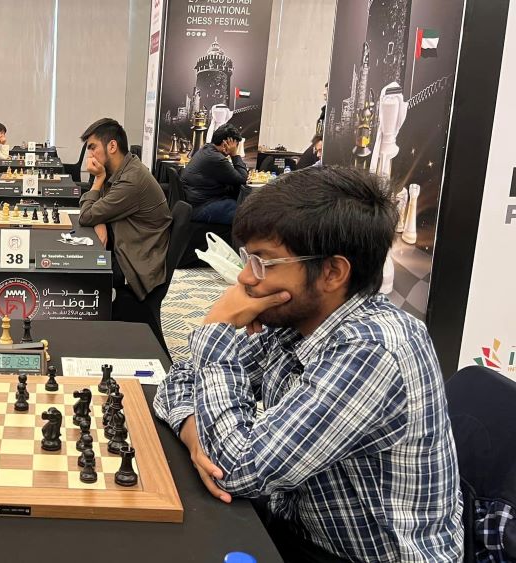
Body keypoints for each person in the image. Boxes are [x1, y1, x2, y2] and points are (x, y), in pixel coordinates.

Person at [153, 166, 462, 562]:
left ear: (332, 272)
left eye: (263, 262)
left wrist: (217, 331)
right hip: (295, 524)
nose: (244, 278)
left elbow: (236, 467)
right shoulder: (298, 319)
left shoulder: (373, 350)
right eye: (248, 258)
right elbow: (179, 381)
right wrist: (198, 436)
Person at [78, 118, 171, 301]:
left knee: (74, 271)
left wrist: (98, 180)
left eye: (92, 147)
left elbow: (87, 215)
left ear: (112, 146)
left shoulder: (131, 180)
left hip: (133, 265)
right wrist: (99, 221)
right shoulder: (123, 169)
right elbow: (98, 210)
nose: (90, 155)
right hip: (126, 249)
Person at [180, 123, 247, 225]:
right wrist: (234, 154)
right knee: (245, 214)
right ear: (225, 144)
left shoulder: (206, 149)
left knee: (237, 203)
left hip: (193, 202)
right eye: (235, 145)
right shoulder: (216, 158)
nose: (236, 148)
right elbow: (242, 178)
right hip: (201, 207)